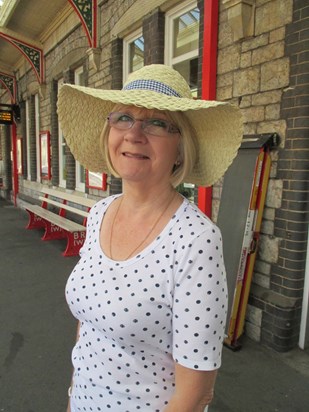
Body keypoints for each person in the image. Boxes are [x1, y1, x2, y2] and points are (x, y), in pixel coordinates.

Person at [57, 64, 243, 412]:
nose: (134, 133)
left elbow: (195, 394)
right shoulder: (100, 213)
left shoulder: (196, 241)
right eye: (123, 117)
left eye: (157, 122)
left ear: (181, 148)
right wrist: (72, 398)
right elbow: (89, 330)